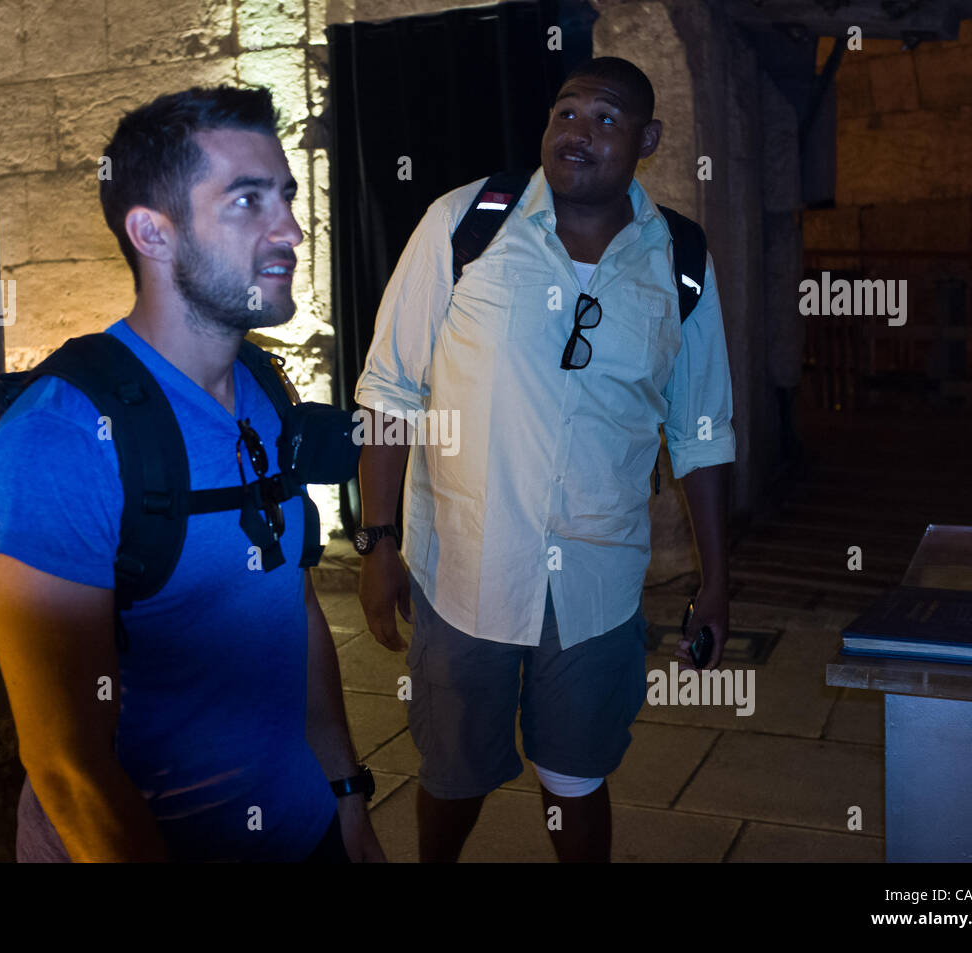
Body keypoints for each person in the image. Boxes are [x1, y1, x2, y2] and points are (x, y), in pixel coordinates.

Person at [0, 86, 384, 863]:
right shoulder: (58, 442)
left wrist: (345, 797)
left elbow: (292, 605)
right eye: (246, 200)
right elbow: (68, 767)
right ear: (152, 233)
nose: (291, 229)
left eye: (287, 196)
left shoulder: (264, 387)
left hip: (306, 831)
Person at [354, 57, 736, 863]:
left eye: (605, 119)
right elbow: (390, 390)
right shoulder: (465, 225)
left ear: (648, 139)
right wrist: (377, 540)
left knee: (576, 775)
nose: (578, 133)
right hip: (464, 568)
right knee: (453, 770)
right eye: (566, 113)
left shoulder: (682, 261)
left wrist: (716, 579)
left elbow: (700, 431)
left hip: (597, 580)